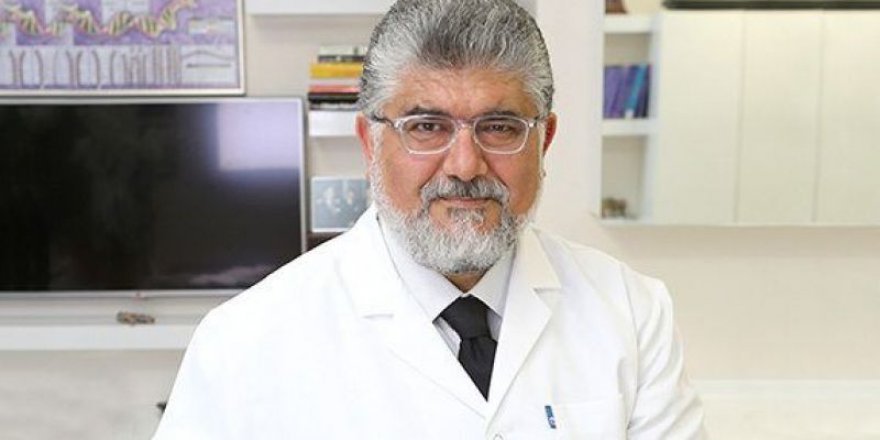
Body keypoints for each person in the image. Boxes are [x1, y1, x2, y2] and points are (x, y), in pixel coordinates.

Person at [153, 0, 707, 438]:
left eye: (499, 127)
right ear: (370, 142)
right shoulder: (245, 342)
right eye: (426, 127)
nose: (465, 166)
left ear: (544, 141)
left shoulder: (631, 312)